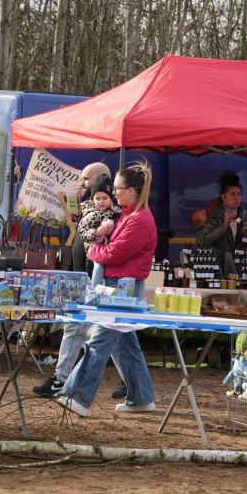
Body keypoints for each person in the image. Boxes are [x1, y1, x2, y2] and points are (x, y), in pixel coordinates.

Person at [55, 161, 158, 417]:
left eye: (118, 189)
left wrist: (93, 249)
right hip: (120, 287)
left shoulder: (138, 220)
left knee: (99, 343)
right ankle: (141, 397)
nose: (114, 193)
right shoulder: (130, 215)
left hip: (121, 288)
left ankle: (77, 396)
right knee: (124, 346)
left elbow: (113, 254)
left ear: (131, 191)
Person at [32, 162, 111, 398]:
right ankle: (135, 387)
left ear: (101, 179)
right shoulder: (89, 205)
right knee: (114, 336)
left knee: (78, 329)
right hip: (81, 277)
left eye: (86, 178)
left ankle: (61, 379)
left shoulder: (108, 210)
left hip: (93, 279)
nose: (82, 182)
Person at [197, 171, 247, 275]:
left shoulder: (243, 215)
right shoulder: (212, 214)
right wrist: (224, 226)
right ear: (223, 197)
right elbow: (203, 240)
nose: (237, 198)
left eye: (239, 194)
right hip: (215, 267)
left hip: (236, 268)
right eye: (232, 194)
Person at [79, 175, 123, 285]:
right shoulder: (89, 214)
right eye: (97, 199)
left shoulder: (116, 212)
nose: (101, 202)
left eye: (105, 198)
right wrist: (97, 232)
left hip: (110, 251)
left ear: (110, 198)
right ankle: (94, 289)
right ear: (92, 199)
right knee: (96, 270)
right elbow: (83, 233)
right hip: (93, 251)